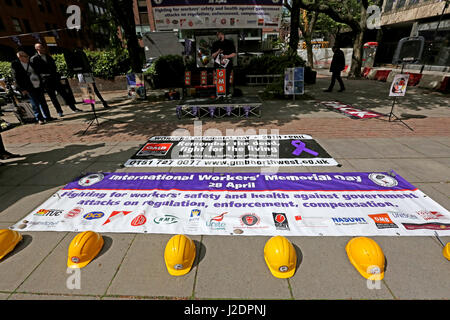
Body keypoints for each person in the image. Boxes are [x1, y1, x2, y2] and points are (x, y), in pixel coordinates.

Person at [31, 43, 83, 117]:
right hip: (46, 81)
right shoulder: (34, 59)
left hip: (54, 79)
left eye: (43, 47)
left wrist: (56, 75)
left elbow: (54, 66)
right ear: (37, 49)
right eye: (41, 48)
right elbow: (35, 71)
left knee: (64, 94)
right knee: (53, 97)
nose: (43, 49)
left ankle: (73, 108)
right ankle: (59, 111)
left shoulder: (48, 57)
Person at [11, 49, 55, 124]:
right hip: (28, 86)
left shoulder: (31, 62)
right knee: (34, 102)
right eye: (25, 56)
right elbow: (16, 78)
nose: (27, 57)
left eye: (27, 56)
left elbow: (38, 71)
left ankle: (48, 117)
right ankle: (39, 118)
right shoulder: (16, 65)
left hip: (38, 84)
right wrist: (22, 89)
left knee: (43, 101)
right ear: (20, 57)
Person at [211, 31, 236, 97]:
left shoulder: (229, 43)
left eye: (220, 35)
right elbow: (213, 55)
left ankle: (227, 92)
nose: (219, 36)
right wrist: (218, 51)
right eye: (218, 35)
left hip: (227, 64)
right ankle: (219, 93)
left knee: (227, 78)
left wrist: (227, 56)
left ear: (223, 35)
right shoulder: (215, 44)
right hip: (218, 64)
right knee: (219, 79)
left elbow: (234, 54)